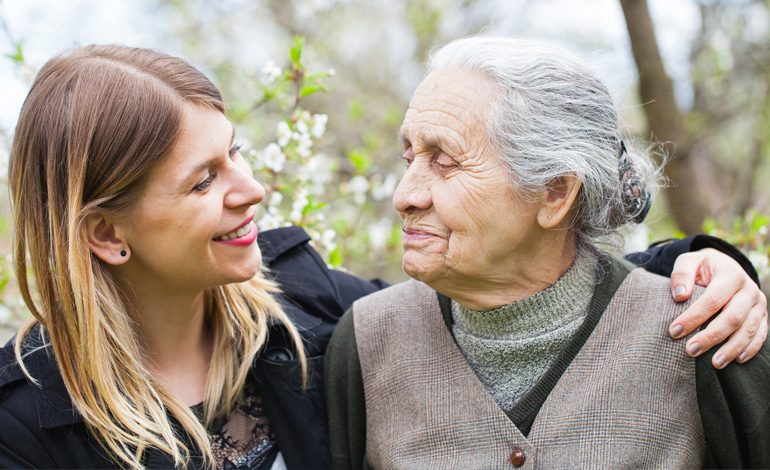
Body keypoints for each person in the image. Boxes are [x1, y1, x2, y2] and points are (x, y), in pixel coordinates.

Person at [0, 44, 763, 470]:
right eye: (204, 180)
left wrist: (705, 264)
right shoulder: (30, 427)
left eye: (236, 155)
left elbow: (538, 288)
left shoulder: (304, 306)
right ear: (106, 234)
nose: (254, 190)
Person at [325, 37, 770, 469]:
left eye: (445, 162)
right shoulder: (367, 343)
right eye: (409, 159)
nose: (405, 195)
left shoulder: (706, 335)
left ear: (555, 192)